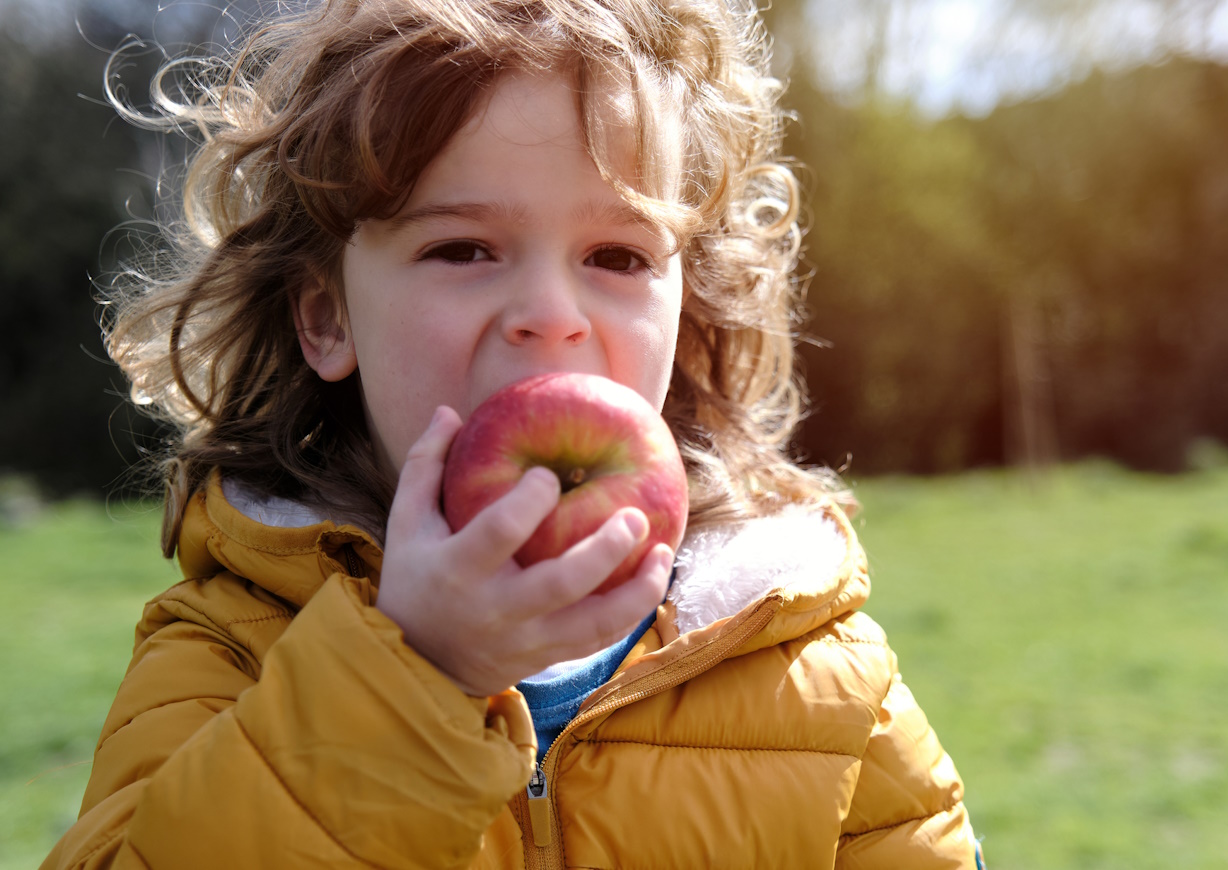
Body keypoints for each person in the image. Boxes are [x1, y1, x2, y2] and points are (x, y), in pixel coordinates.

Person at [46, 0, 981, 866]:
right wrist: (413, 678)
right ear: (326, 319)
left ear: (687, 308)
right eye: (463, 249)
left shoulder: (813, 667)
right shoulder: (228, 650)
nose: (549, 312)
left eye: (617, 255)